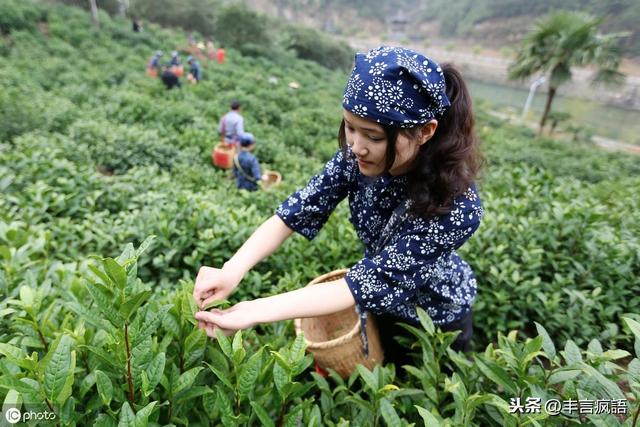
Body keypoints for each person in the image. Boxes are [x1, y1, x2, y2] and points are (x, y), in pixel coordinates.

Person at [194, 46, 484, 368]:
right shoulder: (354, 160)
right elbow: (295, 212)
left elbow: (363, 282)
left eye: (373, 136)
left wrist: (251, 311)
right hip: (380, 305)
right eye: (350, 127)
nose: (356, 147)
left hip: (436, 318)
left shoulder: (458, 206)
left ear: (425, 132)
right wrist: (233, 269)